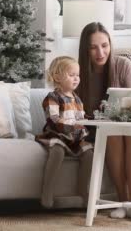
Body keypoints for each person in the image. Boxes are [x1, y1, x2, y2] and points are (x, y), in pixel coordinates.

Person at [76, 22, 131, 222]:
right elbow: (77, 111)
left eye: (104, 45)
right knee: (114, 135)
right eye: (93, 47)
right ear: (85, 49)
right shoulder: (79, 72)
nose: (100, 52)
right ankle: (122, 201)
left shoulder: (123, 65)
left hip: (127, 125)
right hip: (98, 130)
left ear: (110, 44)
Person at [36, 56, 94, 208]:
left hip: (75, 137)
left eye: (77, 75)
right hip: (58, 134)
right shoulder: (53, 97)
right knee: (57, 150)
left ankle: (83, 191)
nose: (76, 78)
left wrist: (92, 120)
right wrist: (71, 128)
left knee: (89, 154)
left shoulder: (77, 99)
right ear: (57, 77)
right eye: (71, 75)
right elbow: (53, 120)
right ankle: (47, 191)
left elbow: (81, 118)